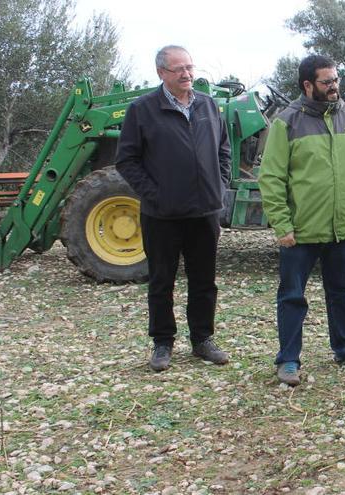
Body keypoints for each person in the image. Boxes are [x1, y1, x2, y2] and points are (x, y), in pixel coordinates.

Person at [258, 55, 345, 386]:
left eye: (336, 80)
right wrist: (282, 225)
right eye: (327, 82)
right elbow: (271, 177)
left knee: (341, 289)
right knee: (292, 295)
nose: (334, 87)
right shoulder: (287, 123)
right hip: (301, 230)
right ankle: (287, 360)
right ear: (307, 85)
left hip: (343, 226)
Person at [115, 45, 230, 372]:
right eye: (178, 69)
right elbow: (127, 160)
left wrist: (219, 187)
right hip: (161, 215)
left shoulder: (208, 106)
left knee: (204, 281)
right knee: (162, 281)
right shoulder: (143, 109)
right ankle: (162, 343)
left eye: (190, 68)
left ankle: (203, 340)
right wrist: (156, 195)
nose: (186, 74)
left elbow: (223, 150)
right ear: (161, 73)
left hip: (204, 213)